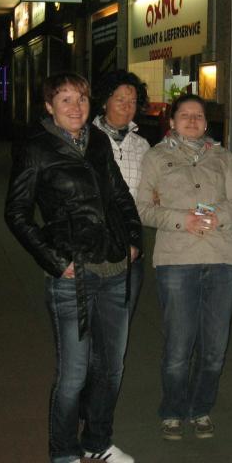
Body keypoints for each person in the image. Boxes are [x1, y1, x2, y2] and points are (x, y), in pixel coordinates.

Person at [4, 72, 141, 463]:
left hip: (115, 270)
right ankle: (63, 453)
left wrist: (133, 241)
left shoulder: (97, 141)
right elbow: (16, 213)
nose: (75, 107)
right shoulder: (36, 149)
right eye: (65, 99)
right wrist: (55, 260)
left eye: (81, 98)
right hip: (72, 276)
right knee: (74, 374)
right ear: (50, 106)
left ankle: (97, 442)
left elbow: (120, 195)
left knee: (111, 368)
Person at [136, 93, 232, 441]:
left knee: (214, 348)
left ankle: (201, 408)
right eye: (184, 115)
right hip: (176, 261)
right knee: (178, 347)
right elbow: (142, 208)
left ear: (206, 122)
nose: (192, 120)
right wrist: (180, 219)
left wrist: (220, 217)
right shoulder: (156, 157)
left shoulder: (223, 157)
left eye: (198, 115)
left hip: (222, 260)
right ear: (172, 121)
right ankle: (172, 411)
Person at [92, 70, 151, 316]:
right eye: (120, 100)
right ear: (104, 102)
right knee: (89, 323)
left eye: (133, 101)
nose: (127, 107)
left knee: (121, 320)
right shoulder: (86, 139)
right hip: (92, 245)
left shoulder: (142, 146)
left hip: (130, 246)